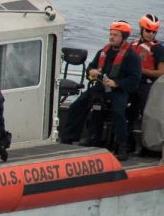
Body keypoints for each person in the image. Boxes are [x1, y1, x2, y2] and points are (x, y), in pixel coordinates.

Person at [60, 20, 142, 157]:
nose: (111, 37)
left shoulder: (132, 57)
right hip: (99, 88)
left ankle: (122, 146)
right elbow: (90, 66)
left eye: (115, 35)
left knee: (118, 113)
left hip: (118, 91)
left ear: (124, 37)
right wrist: (91, 71)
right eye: (111, 34)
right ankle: (69, 138)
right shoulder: (103, 52)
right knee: (77, 105)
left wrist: (117, 83)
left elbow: (135, 78)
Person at [128, 14, 164, 131]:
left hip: (147, 84)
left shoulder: (158, 48)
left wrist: (141, 70)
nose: (151, 34)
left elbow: (161, 72)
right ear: (141, 28)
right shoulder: (132, 44)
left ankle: (147, 146)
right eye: (148, 31)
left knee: (146, 113)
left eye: (154, 32)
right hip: (131, 82)